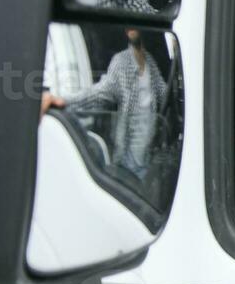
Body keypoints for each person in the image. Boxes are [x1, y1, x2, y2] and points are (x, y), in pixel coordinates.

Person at [42, 30, 167, 180]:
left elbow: (163, 92)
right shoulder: (122, 61)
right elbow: (100, 93)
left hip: (149, 154)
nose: (134, 31)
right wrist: (63, 101)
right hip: (128, 158)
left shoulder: (149, 61)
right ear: (127, 32)